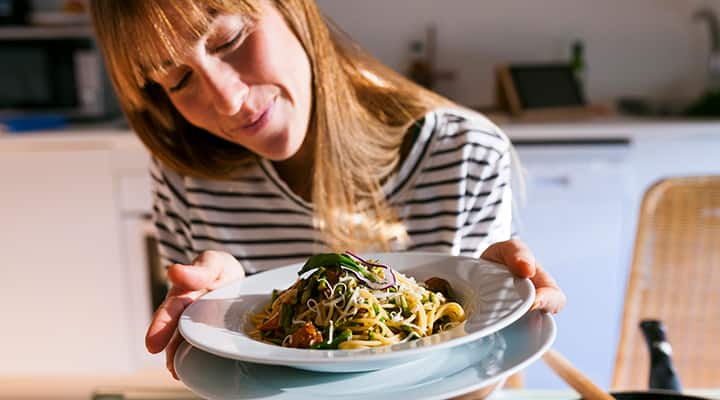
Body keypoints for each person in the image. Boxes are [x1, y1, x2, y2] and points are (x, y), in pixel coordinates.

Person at [90, 0, 566, 379]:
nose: (229, 100)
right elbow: (214, 379)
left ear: (292, 7)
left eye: (229, 39)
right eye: (179, 80)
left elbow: (472, 381)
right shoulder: (183, 174)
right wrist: (220, 311)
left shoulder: (464, 154)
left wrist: (499, 325)